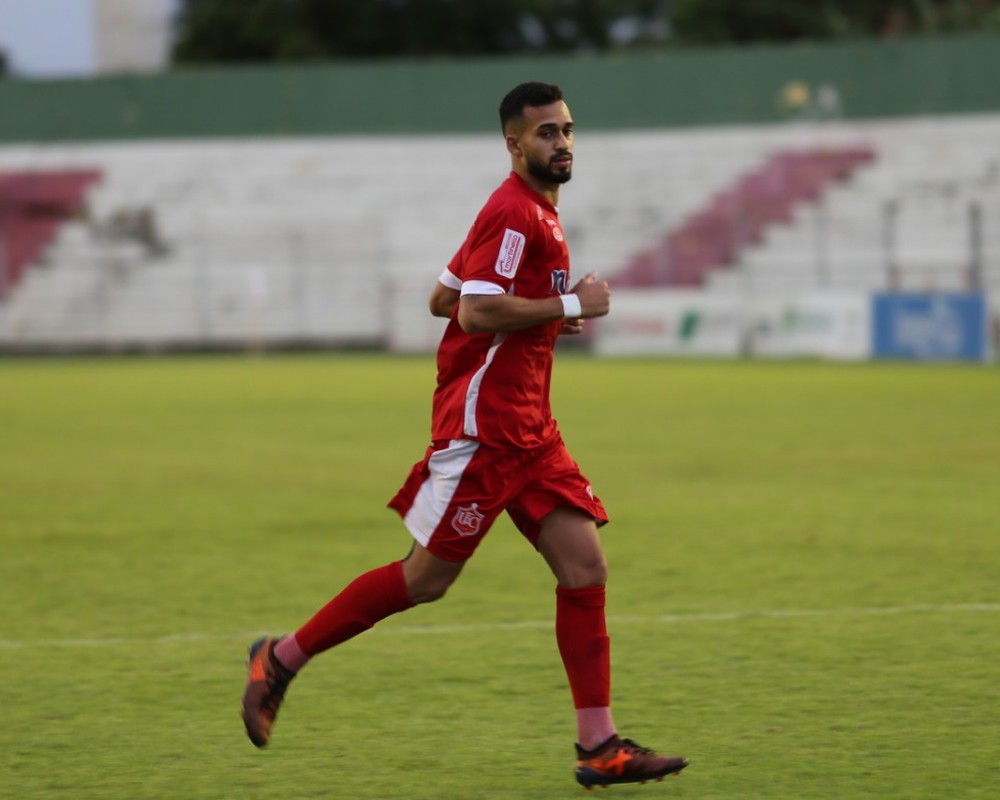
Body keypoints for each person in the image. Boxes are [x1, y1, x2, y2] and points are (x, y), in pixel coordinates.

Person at [241, 81, 688, 790]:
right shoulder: (516, 213)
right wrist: (570, 303)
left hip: (532, 432)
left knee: (586, 569)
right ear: (514, 143)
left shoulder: (533, 212)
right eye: (546, 133)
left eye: (568, 130)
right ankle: (281, 658)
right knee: (425, 580)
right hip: (485, 431)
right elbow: (475, 317)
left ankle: (598, 746)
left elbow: (443, 297)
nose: (562, 143)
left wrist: (544, 315)